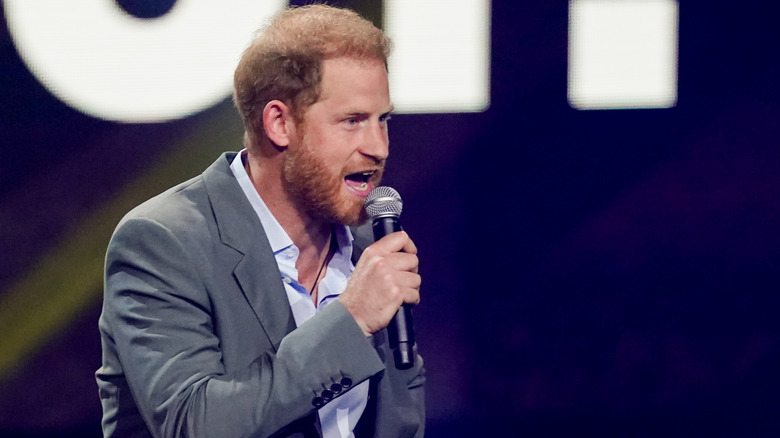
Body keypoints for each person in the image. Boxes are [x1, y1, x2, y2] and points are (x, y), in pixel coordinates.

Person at [95, 4, 425, 437]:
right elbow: (193, 424)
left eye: (383, 120)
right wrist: (351, 318)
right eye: (352, 121)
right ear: (280, 123)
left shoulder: (370, 244)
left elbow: (400, 412)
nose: (378, 147)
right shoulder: (163, 242)